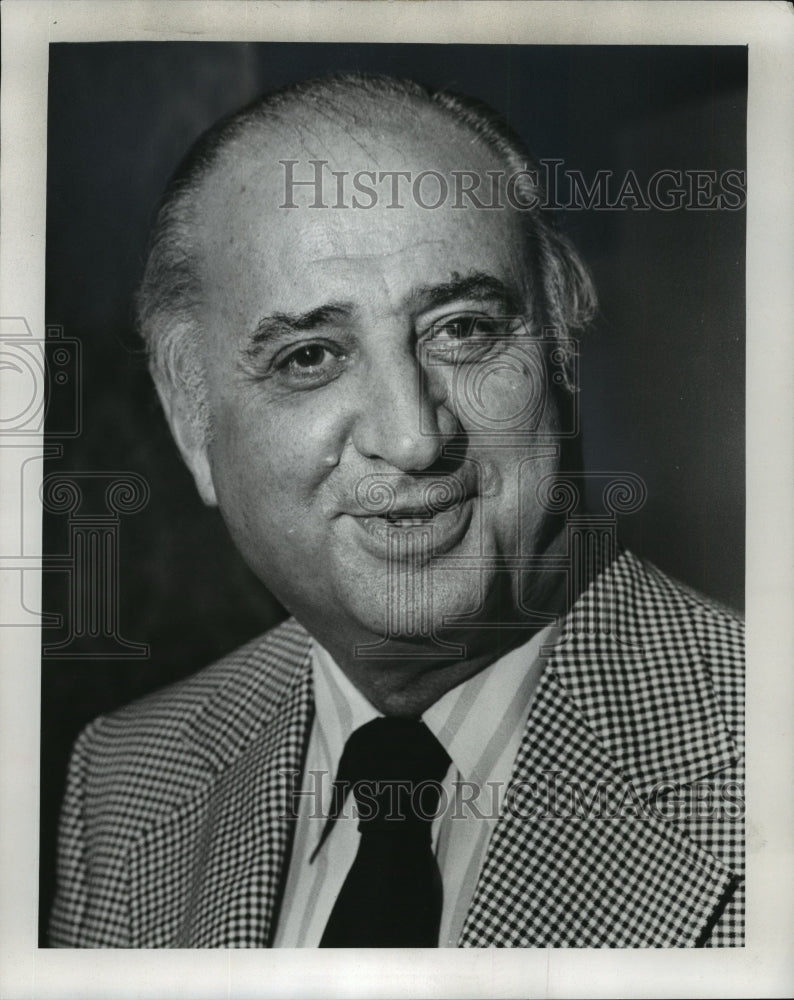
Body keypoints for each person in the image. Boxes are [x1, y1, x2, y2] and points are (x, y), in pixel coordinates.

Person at [49, 73, 744, 948]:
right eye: (309, 356)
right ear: (192, 422)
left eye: (463, 329)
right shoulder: (122, 779)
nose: (414, 439)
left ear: (562, 357)